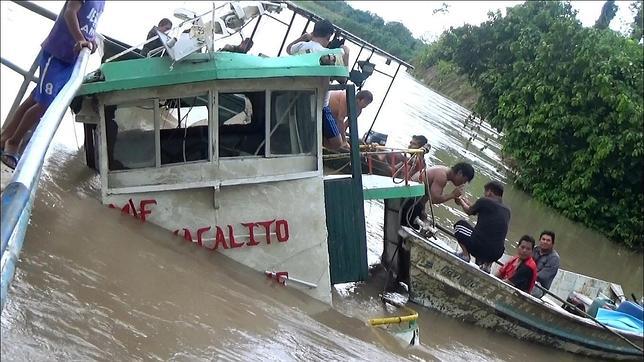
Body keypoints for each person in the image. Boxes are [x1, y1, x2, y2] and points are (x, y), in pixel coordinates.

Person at [1, 0, 104, 169]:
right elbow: (70, 12)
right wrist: (80, 39)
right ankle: (13, 143)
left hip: (71, 59)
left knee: (36, 98)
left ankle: (5, 137)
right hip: (57, 55)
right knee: (44, 104)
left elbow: (90, 21)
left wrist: (91, 41)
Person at [286, 19, 350, 150]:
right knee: (336, 143)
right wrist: (346, 55)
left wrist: (303, 37)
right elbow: (343, 79)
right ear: (329, 36)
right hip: (319, 105)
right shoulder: (328, 55)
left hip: (297, 97)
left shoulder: (300, 46)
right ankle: (314, 144)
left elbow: (288, 49)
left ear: (313, 31)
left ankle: (310, 140)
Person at [453, 180, 511, 273]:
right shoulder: (507, 210)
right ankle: (487, 266)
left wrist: (461, 202)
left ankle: (465, 255)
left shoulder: (485, 201)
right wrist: (467, 202)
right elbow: (479, 210)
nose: (484, 194)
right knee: (494, 240)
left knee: (460, 225)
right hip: (496, 254)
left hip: (479, 247)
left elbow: (469, 211)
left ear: (489, 192)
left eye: (485, 192)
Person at [530, 230, 560, 298]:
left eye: (548, 240)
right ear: (539, 240)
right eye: (543, 239)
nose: (545, 242)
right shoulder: (535, 249)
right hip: (526, 277)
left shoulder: (554, 258)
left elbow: (541, 277)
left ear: (552, 243)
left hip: (539, 287)